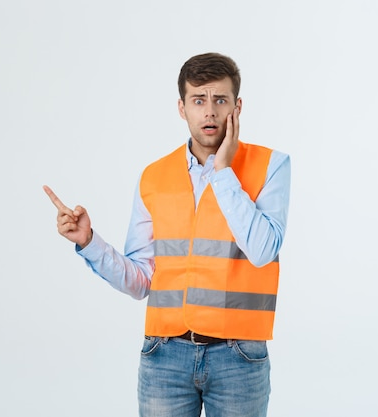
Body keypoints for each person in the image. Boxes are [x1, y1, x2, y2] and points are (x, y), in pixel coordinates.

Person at [44, 52, 291, 417]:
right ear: (182, 108)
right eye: (198, 100)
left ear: (237, 107)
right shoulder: (154, 177)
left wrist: (222, 172)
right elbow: (141, 281)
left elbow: (262, 250)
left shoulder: (271, 166)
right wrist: (88, 242)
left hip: (239, 357)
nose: (209, 111)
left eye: (220, 100)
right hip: (164, 357)